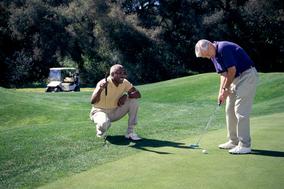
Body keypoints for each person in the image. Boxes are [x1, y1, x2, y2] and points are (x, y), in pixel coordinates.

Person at [195, 39, 258, 154]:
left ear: (210, 46)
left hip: (247, 76)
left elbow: (232, 71)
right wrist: (221, 93)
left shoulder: (224, 48)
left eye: (207, 55)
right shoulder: (214, 57)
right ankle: (233, 141)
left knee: (240, 110)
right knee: (229, 109)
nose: (207, 58)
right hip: (234, 79)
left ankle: (245, 145)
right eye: (205, 57)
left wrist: (226, 89)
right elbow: (223, 75)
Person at [89, 64, 142, 140]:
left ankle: (130, 132)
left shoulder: (125, 82)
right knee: (105, 123)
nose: (123, 75)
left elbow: (138, 94)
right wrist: (100, 89)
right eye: (120, 73)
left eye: (123, 73)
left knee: (133, 101)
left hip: (115, 111)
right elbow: (93, 101)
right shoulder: (103, 83)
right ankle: (100, 130)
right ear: (112, 74)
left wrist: (126, 95)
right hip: (99, 112)